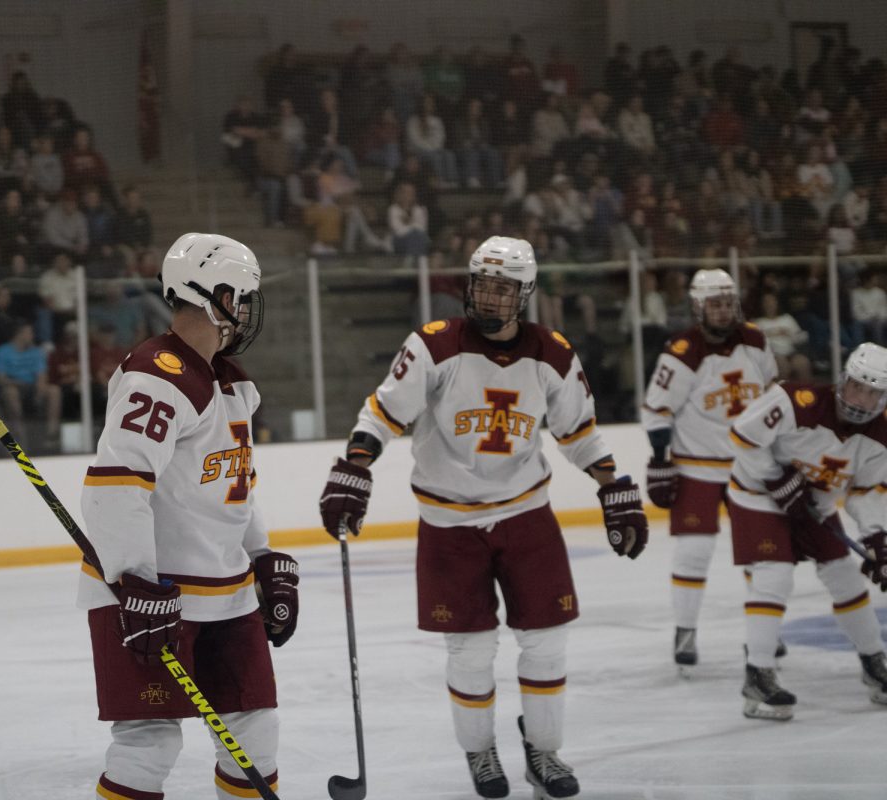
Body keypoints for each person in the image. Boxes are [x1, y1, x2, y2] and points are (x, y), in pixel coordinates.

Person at [318, 236, 648, 799]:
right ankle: (480, 753)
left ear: (525, 294)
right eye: (483, 284)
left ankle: (544, 752)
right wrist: (355, 467)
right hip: (449, 524)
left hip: (527, 515)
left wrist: (613, 486)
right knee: (469, 650)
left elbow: (580, 434)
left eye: (504, 287)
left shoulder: (554, 354)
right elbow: (382, 411)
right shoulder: (434, 346)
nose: (490, 296)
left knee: (545, 640)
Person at [78, 232, 297, 799]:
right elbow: (114, 488)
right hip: (154, 597)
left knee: (256, 732)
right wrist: (134, 581)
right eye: (242, 297)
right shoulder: (157, 373)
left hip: (227, 591)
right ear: (216, 295)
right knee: (148, 745)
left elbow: (235, 486)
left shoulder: (232, 382)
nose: (246, 311)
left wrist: (262, 556)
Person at [727, 343, 887, 720]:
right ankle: (758, 674)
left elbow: (865, 492)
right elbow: (743, 435)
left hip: (815, 504)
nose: (860, 400)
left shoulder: (880, 436)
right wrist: (776, 478)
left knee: (846, 578)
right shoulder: (794, 399)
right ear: (843, 380)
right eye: (856, 386)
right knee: (774, 574)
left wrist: (877, 537)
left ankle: (874, 663)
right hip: (758, 494)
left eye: (873, 392)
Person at [639, 270, 779, 671]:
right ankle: (685, 630)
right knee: (694, 551)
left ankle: (764, 631)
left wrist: (784, 449)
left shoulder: (754, 339)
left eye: (727, 303)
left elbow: (775, 394)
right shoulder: (682, 350)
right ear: (698, 307)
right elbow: (656, 409)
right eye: (714, 304)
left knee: (761, 554)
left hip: (750, 466)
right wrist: (661, 459)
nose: (722, 311)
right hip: (697, 467)